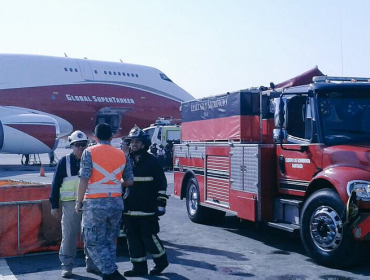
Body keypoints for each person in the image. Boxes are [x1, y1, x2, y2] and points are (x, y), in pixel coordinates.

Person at [75, 123, 133, 280]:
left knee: (92, 241)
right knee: (109, 240)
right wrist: (113, 182)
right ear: (111, 137)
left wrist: (79, 201)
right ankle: (109, 273)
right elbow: (129, 181)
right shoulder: (122, 155)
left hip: (95, 203)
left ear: (95, 137)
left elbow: (84, 179)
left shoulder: (89, 152)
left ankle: (111, 273)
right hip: (116, 203)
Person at [49, 130, 99, 278]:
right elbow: (55, 184)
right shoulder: (64, 162)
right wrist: (54, 205)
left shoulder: (92, 160)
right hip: (70, 204)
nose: (80, 148)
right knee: (69, 235)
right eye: (77, 145)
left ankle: (91, 264)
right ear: (72, 146)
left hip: (89, 202)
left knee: (90, 234)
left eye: (83, 145)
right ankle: (67, 265)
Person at [123, 125, 169, 277]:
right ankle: (139, 268)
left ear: (144, 144)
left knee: (149, 237)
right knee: (132, 239)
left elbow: (161, 183)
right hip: (129, 208)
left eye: (137, 141)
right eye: (132, 141)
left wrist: (161, 203)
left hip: (147, 208)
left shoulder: (152, 161)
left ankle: (161, 262)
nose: (134, 144)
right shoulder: (125, 161)